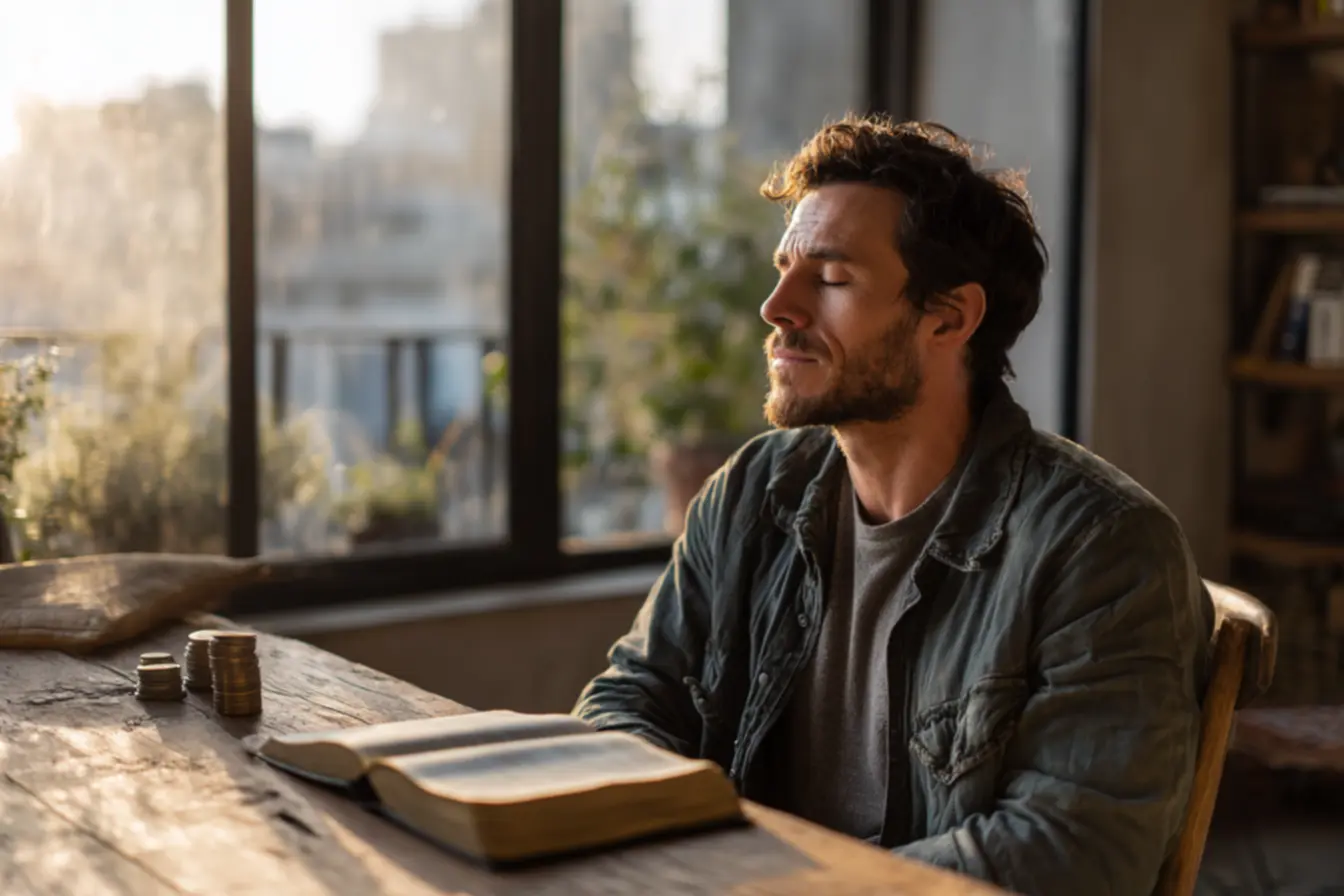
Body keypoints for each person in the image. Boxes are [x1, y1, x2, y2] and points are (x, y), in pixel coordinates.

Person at [573, 115, 1212, 895]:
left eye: (832, 279)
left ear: (949, 317)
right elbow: (630, 699)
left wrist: (774, 884)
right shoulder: (752, 492)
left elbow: (1071, 854)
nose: (777, 307)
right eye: (784, 268)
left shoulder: (1103, 547)